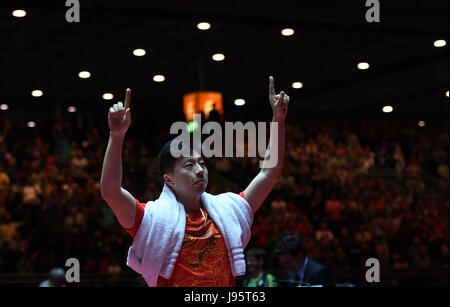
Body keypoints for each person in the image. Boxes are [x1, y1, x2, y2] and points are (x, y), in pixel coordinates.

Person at [100, 76, 290, 287]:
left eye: (202, 163)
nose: (200, 171)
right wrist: (116, 136)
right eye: (189, 165)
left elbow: (269, 174)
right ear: (168, 179)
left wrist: (278, 122)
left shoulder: (228, 209)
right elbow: (111, 192)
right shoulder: (152, 219)